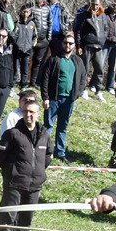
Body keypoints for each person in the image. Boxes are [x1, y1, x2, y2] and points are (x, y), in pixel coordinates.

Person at [0, 99, 51, 231]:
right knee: (9, 216)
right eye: (26, 111)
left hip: (35, 185)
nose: (28, 115)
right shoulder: (12, 134)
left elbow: (48, 156)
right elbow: (1, 157)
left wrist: (37, 172)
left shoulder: (44, 134)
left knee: (27, 217)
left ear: (38, 114)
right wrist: (12, 172)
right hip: (15, 182)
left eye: (32, 112)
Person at [38, 32, 87, 162]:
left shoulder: (78, 61)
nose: (67, 45)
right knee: (48, 125)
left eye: (70, 43)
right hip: (53, 98)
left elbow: (83, 78)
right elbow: (45, 78)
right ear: (62, 44)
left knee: (62, 127)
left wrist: (78, 93)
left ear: (74, 45)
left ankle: (60, 152)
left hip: (69, 99)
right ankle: (43, 150)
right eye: (65, 43)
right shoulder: (54, 58)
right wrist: (45, 97)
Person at [75, 0, 107, 101]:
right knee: (85, 68)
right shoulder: (84, 15)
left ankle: (98, 91)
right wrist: (78, 45)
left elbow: (105, 29)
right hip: (87, 45)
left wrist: (103, 40)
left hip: (99, 47)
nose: (96, 7)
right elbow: (78, 31)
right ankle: (83, 89)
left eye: (97, 5)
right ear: (90, 4)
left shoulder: (102, 15)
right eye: (94, 4)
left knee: (99, 69)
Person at [12, 6, 36, 90]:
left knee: (25, 68)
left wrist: (31, 45)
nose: (25, 13)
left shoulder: (32, 24)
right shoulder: (17, 23)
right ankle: (12, 85)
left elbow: (35, 37)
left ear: (30, 13)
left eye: (27, 12)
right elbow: (13, 35)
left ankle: (23, 85)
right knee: (15, 67)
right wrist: (16, 44)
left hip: (28, 50)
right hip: (18, 50)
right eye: (24, 12)